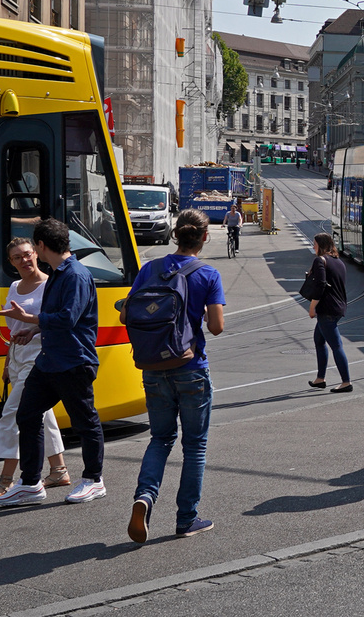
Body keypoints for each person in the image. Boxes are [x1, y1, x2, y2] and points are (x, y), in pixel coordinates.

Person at [126, 209, 227, 542]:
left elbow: (127, 312)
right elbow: (216, 327)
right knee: (194, 446)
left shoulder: (150, 268)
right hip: (190, 367)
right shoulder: (208, 274)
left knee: (160, 438)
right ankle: (187, 518)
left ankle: (144, 497)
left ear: (175, 234)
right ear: (204, 236)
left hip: (153, 367)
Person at [0, 218, 106, 507]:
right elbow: (55, 318)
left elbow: (68, 319)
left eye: (34, 248)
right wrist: (34, 330)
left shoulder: (75, 275)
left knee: (85, 421)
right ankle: (30, 484)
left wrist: (29, 319)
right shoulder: (58, 273)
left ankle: (94, 480)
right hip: (50, 359)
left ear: (41, 246)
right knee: (27, 415)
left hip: (73, 360)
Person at [0, 239, 70, 499]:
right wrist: (8, 362)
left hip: (40, 354)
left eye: (28, 254)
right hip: (18, 354)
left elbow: (55, 321)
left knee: (13, 414)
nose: (24, 260)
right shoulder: (15, 286)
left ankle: (6, 478)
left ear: (36, 255)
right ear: (11, 262)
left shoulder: (50, 285)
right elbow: (13, 330)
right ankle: (59, 470)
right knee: (42, 412)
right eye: (17, 257)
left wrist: (33, 329)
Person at [303, 232, 351, 392]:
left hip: (327, 308)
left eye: (314, 244)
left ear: (321, 245)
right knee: (319, 339)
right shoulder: (338, 262)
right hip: (338, 306)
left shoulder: (320, 260)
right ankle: (320, 379)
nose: (312, 246)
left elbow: (321, 285)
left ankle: (346, 382)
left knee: (336, 345)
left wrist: (312, 307)